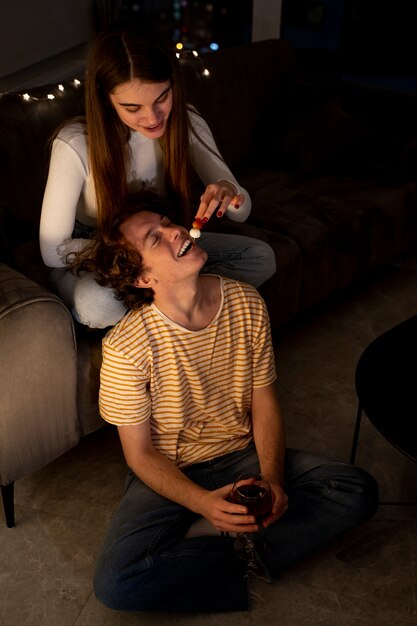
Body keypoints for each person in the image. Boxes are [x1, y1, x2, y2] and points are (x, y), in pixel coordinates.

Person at [70, 189, 379, 613]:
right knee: (116, 583)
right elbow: (140, 455)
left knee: (356, 489)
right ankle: (240, 543)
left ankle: (219, 542)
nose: (175, 230)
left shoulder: (246, 302)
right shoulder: (126, 348)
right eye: (155, 239)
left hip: (239, 455)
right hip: (170, 467)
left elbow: (264, 404)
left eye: (167, 222)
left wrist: (273, 479)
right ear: (142, 278)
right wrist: (202, 502)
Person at [39, 19, 276, 329]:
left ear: (172, 83)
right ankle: (176, 311)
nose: (152, 118)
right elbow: (52, 251)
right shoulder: (74, 144)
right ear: (106, 100)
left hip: (161, 249)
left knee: (259, 257)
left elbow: (241, 213)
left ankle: (163, 312)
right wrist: (131, 255)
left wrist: (226, 188)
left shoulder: (185, 122)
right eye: (132, 107)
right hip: (95, 250)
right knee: (98, 305)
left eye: (162, 98)